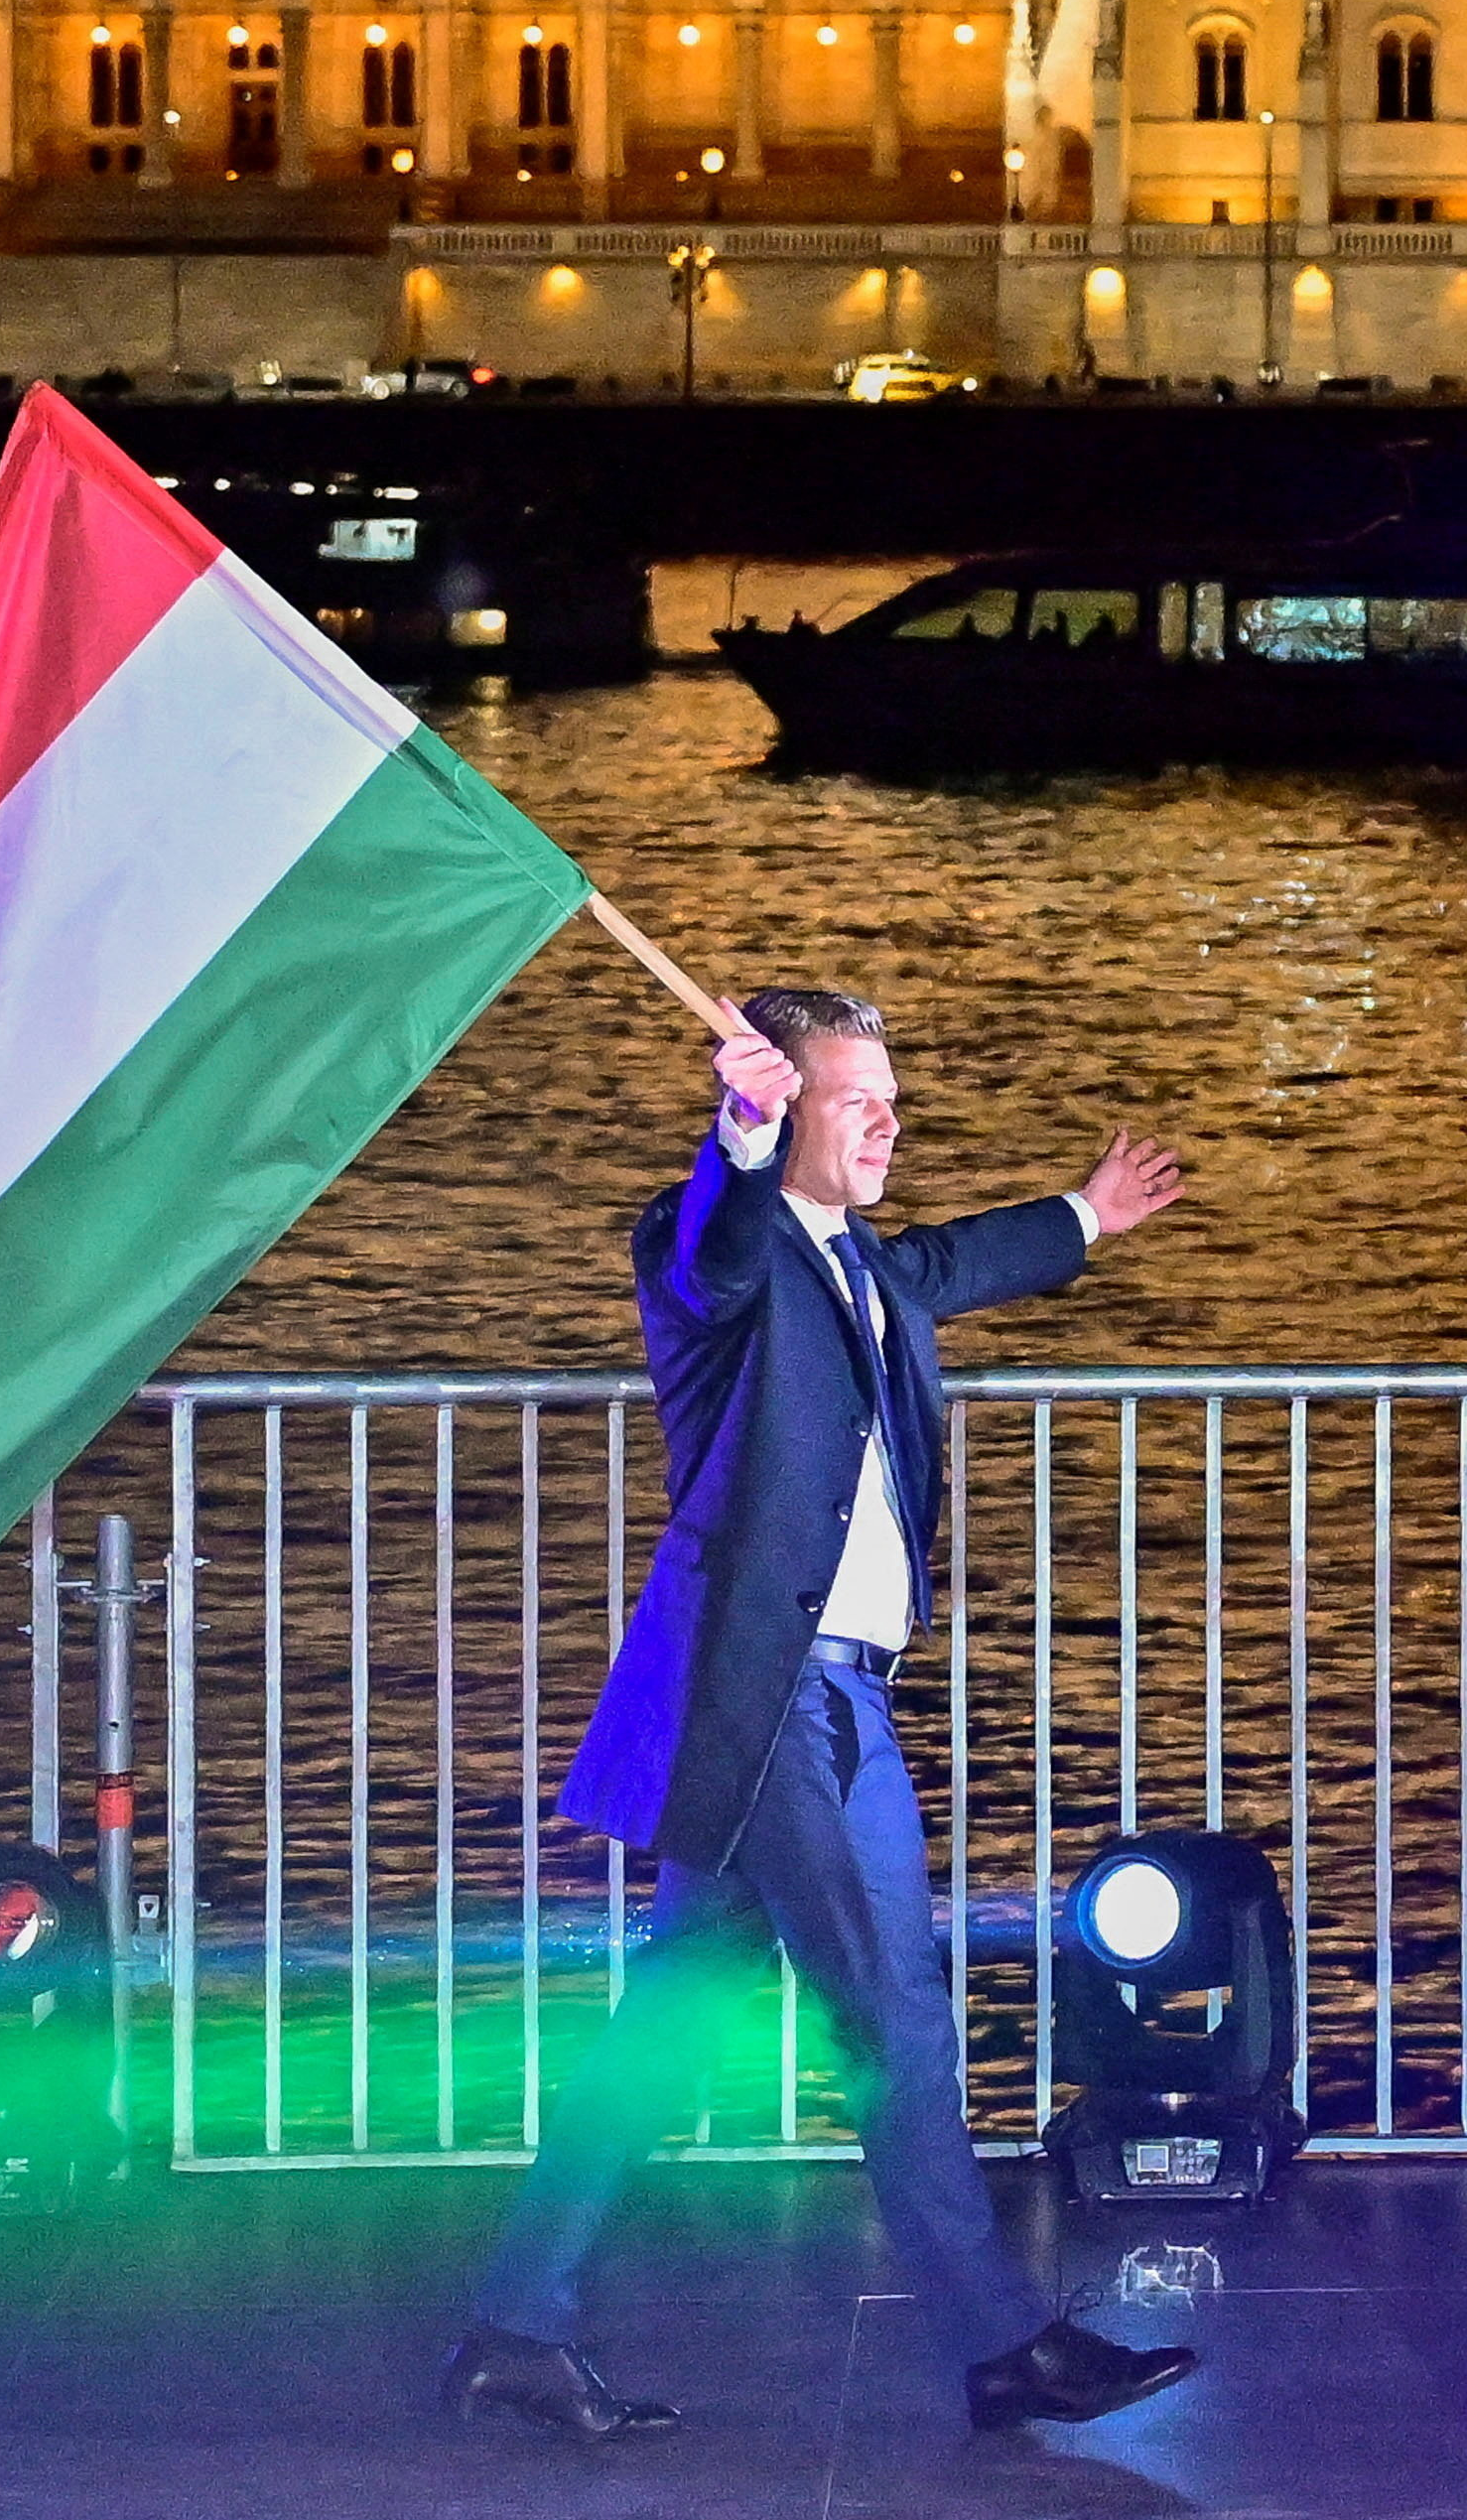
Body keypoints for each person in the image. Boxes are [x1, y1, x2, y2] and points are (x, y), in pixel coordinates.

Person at [447, 985, 1194, 2451]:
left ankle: (514, 2327)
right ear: (788, 1108)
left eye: (893, 1100)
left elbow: (964, 1256)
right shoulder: (706, 1250)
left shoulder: (869, 1265)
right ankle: (1001, 2347)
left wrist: (1089, 1213)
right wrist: (735, 1123)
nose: (891, 1123)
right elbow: (716, 1233)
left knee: (660, 2033)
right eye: (861, 1101)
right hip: (784, 1704)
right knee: (899, 2014)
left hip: (810, 1701)